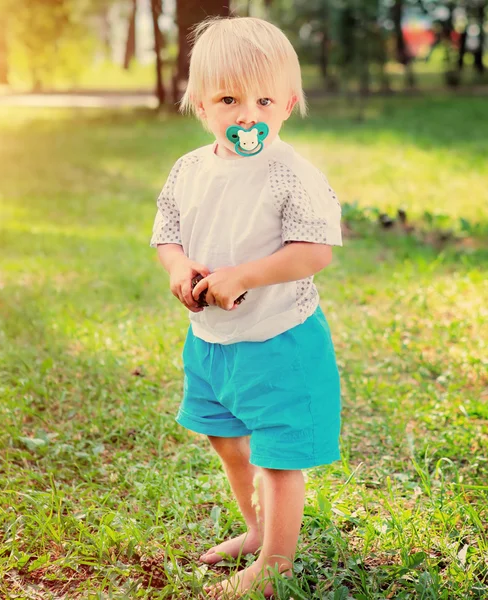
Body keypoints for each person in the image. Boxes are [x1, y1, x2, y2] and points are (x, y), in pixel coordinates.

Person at [150, 16, 342, 599]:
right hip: (210, 340)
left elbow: (314, 252)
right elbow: (167, 233)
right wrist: (182, 271)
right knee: (227, 440)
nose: (246, 114)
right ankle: (257, 530)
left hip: (278, 338)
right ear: (199, 104)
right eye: (229, 99)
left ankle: (277, 565)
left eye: (263, 99)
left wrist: (243, 276)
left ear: (288, 103)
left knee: (278, 454)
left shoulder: (291, 175)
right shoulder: (189, 169)